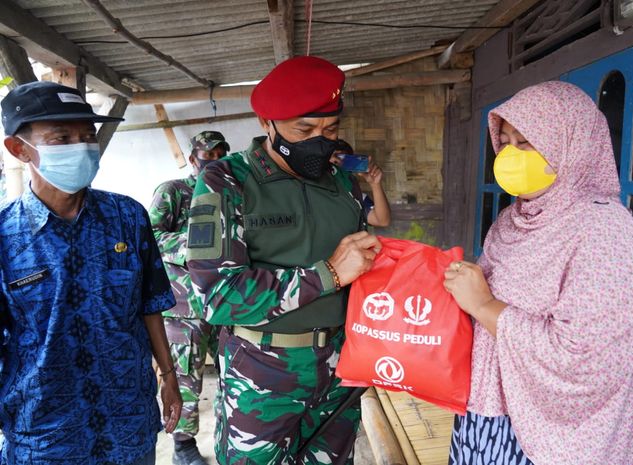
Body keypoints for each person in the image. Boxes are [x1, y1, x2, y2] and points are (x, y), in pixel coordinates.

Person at [443, 81, 633, 465]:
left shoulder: (603, 229)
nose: (509, 154)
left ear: (570, 145)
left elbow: (585, 359)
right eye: (505, 141)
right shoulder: (510, 221)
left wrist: (485, 305)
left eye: (525, 143)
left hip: (546, 436)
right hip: (484, 412)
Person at [185, 56, 381, 465]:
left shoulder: (342, 183)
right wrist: (326, 273)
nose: (320, 141)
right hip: (261, 373)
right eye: (305, 129)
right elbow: (216, 297)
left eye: (331, 129)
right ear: (266, 123)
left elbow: (362, 267)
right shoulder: (227, 180)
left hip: (340, 368)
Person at [0, 81, 182, 465]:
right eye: (61, 137)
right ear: (19, 149)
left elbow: (150, 304)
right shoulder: (5, 237)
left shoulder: (127, 217)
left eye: (87, 136)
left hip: (128, 420)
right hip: (44, 433)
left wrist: (168, 375)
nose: (80, 147)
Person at [148, 130, 229, 465]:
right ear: (193, 157)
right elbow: (150, 235)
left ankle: (230, 439)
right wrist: (192, 246)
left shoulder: (233, 193)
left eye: (219, 154)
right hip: (184, 308)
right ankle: (183, 446)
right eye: (207, 155)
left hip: (228, 304)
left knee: (235, 378)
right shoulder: (173, 191)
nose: (213, 160)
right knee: (185, 380)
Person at [331, 140, 391, 228]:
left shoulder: (356, 196)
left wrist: (375, 184)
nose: (334, 161)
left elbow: (382, 221)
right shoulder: (311, 190)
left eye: (341, 158)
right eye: (330, 157)